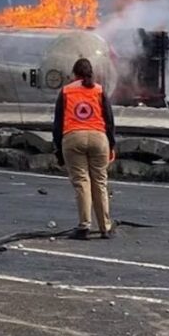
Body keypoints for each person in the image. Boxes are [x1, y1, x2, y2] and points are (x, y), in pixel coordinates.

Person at [52, 58, 116, 240]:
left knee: (82, 181)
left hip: (73, 138)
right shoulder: (99, 90)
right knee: (100, 182)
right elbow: (109, 121)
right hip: (99, 138)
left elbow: (57, 124)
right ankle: (105, 227)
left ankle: (84, 226)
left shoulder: (66, 91)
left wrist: (58, 150)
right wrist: (111, 145)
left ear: (74, 74)